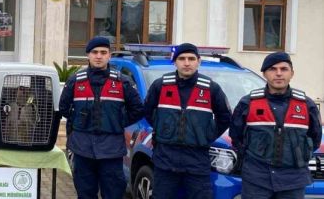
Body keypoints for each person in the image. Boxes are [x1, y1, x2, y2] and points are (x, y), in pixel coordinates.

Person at [59, 36, 145, 199]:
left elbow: (137, 109)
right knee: (85, 195)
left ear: (109, 56)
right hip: (83, 150)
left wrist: (118, 122)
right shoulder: (75, 81)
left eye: (103, 52)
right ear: (88, 55)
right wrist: (79, 122)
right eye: (95, 52)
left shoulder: (122, 82)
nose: (99, 56)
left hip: (111, 152)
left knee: (113, 194)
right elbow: (64, 107)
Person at [144, 42, 232, 199]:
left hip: (197, 162)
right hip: (165, 161)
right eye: (182, 58)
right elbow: (147, 111)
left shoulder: (211, 88)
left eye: (191, 58)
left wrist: (206, 135)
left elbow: (225, 117)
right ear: (175, 61)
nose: (186, 63)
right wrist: (163, 129)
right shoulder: (161, 85)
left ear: (199, 61)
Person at [230, 51, 322, 199]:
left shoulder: (306, 105)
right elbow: (236, 136)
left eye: (284, 69)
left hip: (293, 181)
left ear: (292, 73)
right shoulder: (248, 103)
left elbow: (315, 138)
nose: (278, 73)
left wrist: (296, 155)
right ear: (265, 74)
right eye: (272, 69)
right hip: (256, 180)